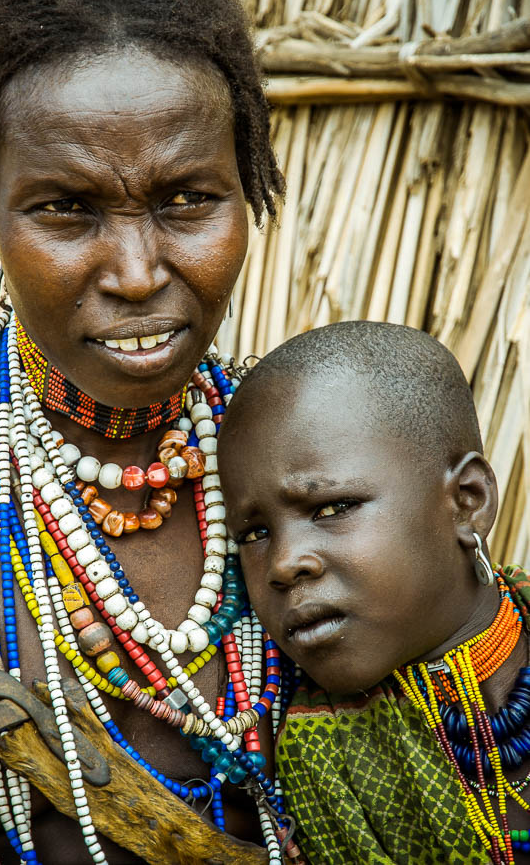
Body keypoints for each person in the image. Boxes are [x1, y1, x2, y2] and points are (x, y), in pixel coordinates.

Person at [0, 0, 300, 863]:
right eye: (66, 209)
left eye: (186, 201)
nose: (136, 272)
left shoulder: (316, 458)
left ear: (245, 194)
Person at [219, 320, 530, 865]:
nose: (285, 564)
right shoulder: (320, 765)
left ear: (468, 501)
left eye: (333, 508)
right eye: (254, 534)